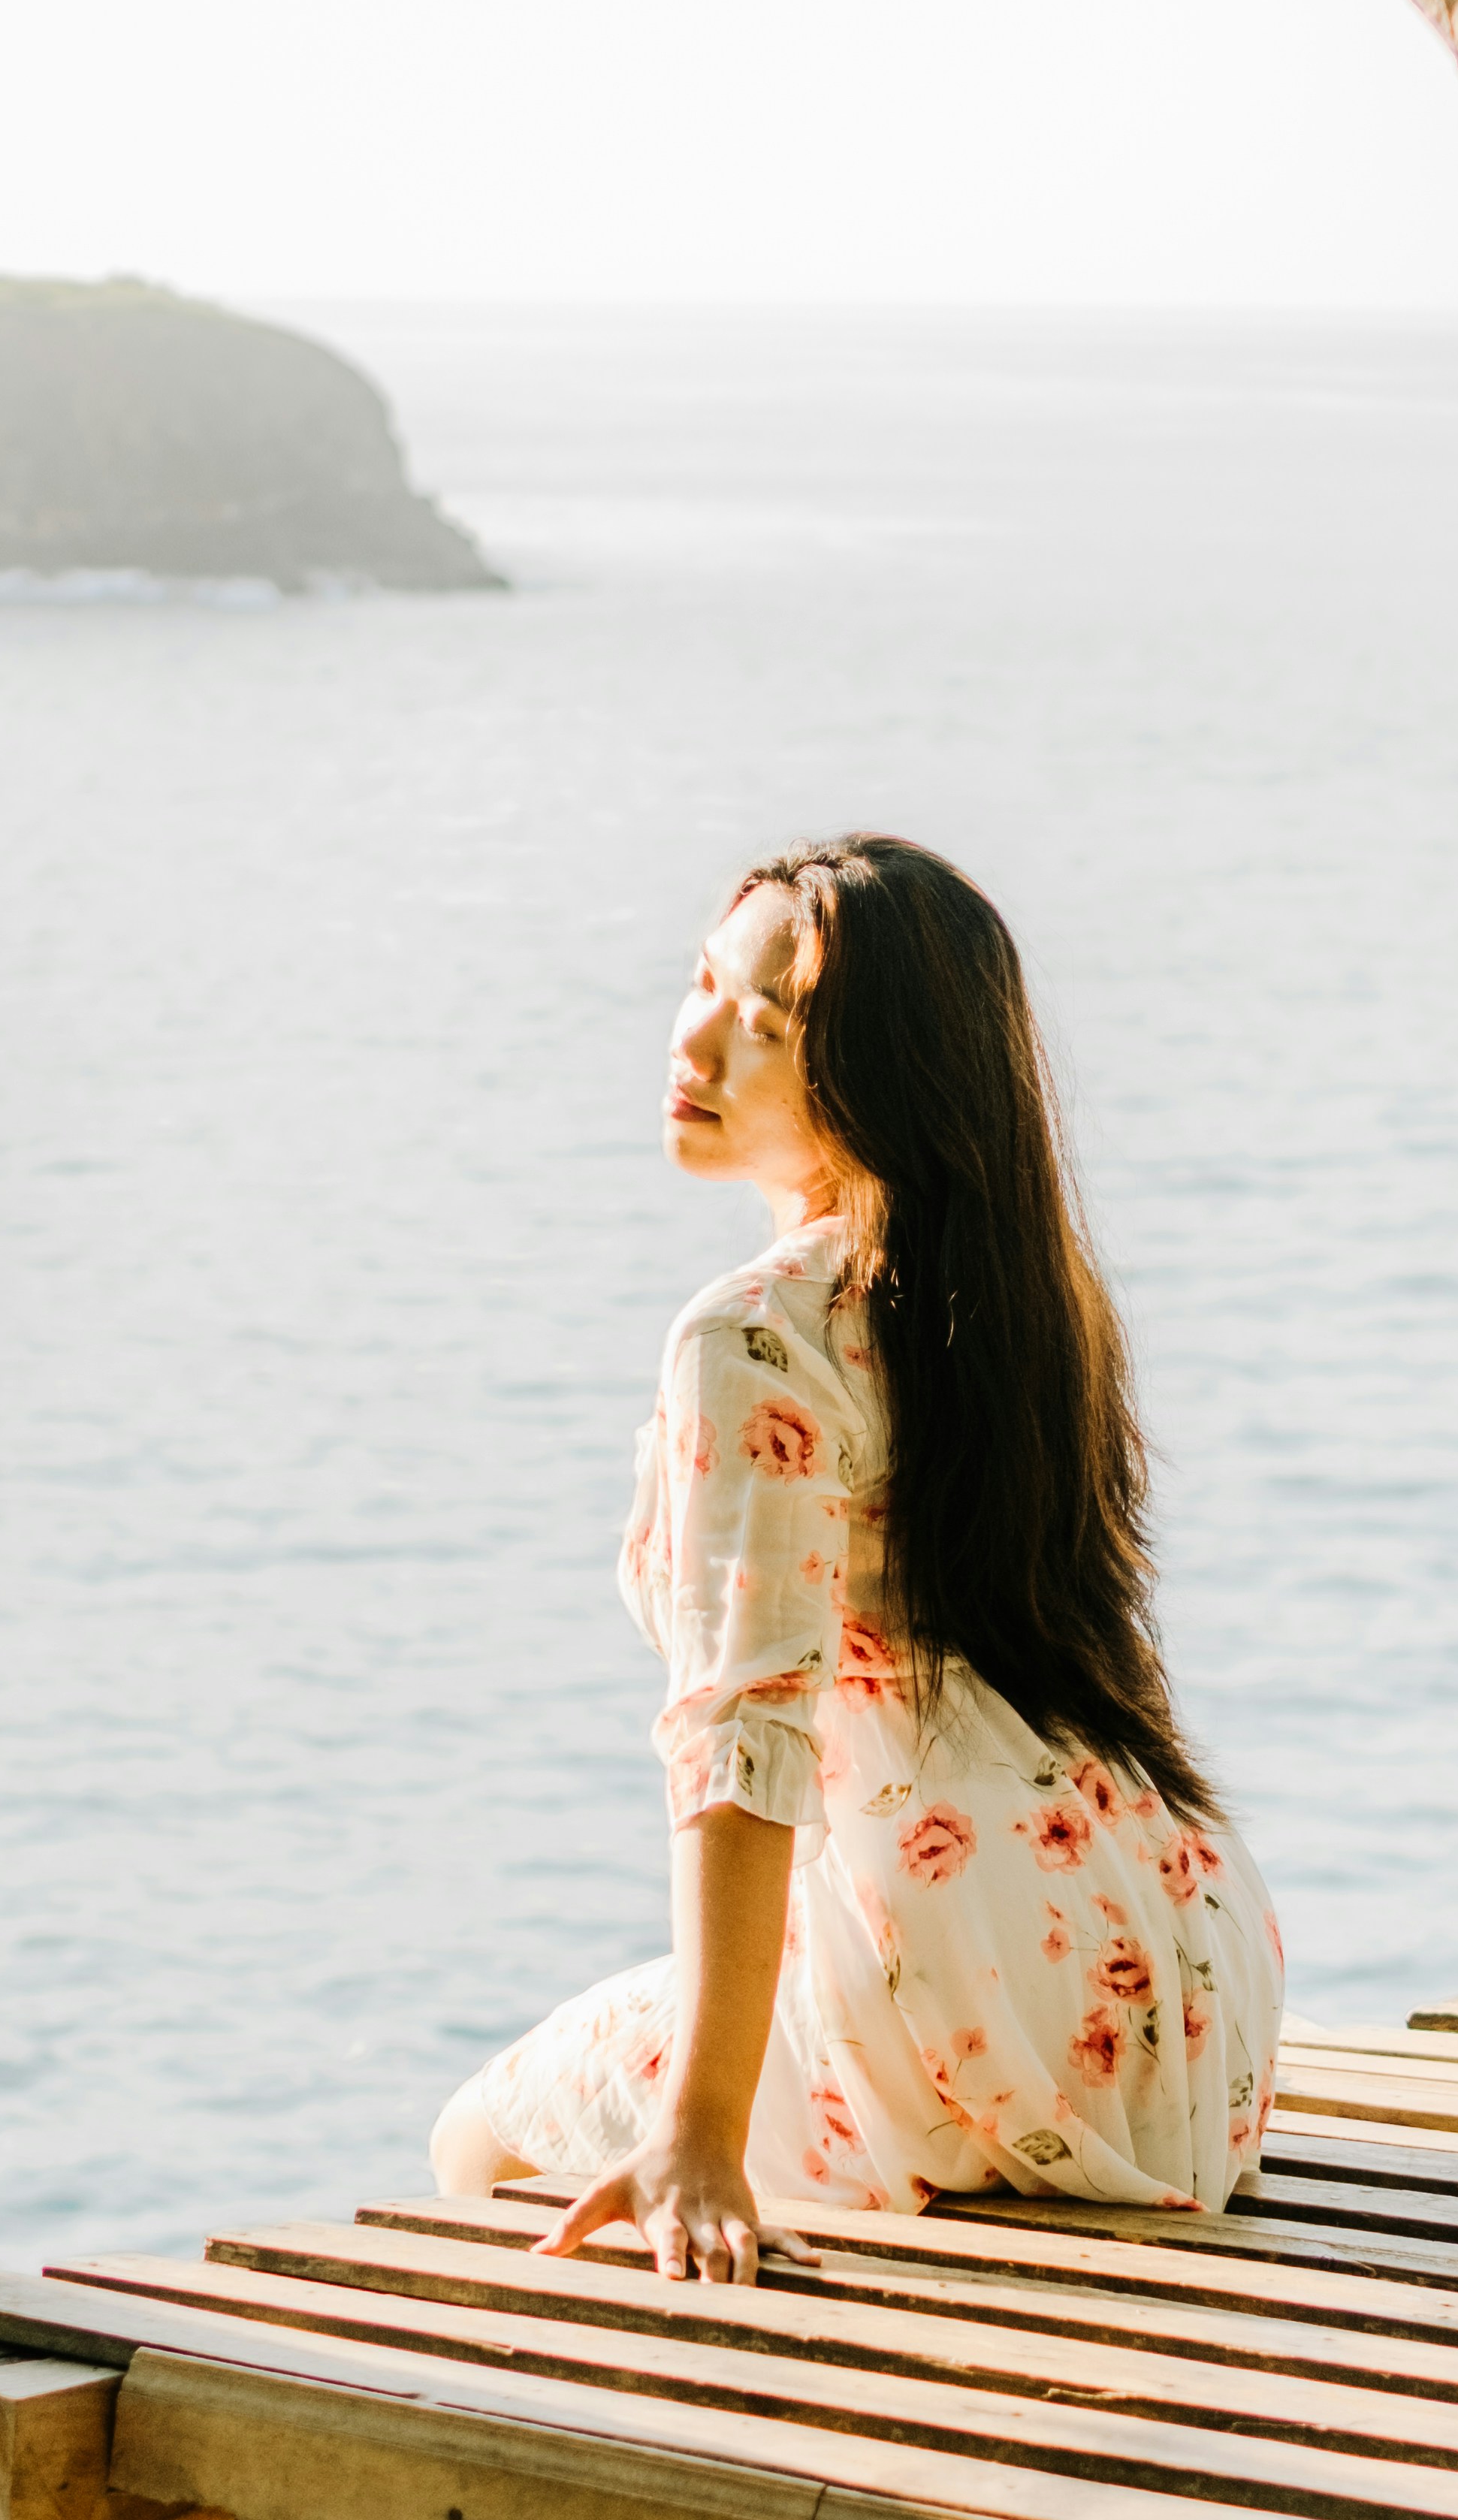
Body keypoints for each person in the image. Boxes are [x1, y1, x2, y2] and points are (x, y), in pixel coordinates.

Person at [431, 834, 1285, 2283]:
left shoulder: (754, 1338)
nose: (697, 1039)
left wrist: (699, 2129)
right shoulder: (1034, 1296)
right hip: (1183, 1979)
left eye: (767, 1028)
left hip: (948, 1970)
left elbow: (742, 1741)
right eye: (703, 984)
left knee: (479, 2141)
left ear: (879, 1082)